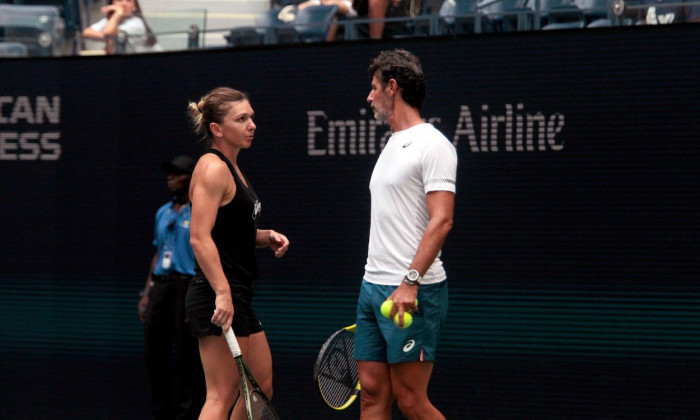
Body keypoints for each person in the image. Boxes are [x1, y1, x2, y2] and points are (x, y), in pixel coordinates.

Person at [354, 49, 457, 420]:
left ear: (392, 87)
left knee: (411, 399)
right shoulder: (392, 143)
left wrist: (410, 281)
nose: (369, 96)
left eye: (374, 88)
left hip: (415, 291)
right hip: (372, 287)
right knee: (372, 395)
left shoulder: (434, 145)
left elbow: (442, 220)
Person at [184, 87, 290, 420]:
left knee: (260, 390)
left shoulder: (233, 167)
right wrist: (222, 293)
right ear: (217, 129)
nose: (251, 124)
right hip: (217, 295)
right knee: (222, 394)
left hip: (237, 294)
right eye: (241, 119)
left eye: (252, 117)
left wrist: (265, 236)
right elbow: (199, 238)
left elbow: (228, 232)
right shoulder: (212, 168)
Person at [137, 155, 206, 420]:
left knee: (189, 358)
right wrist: (147, 293)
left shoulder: (200, 210)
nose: (170, 178)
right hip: (161, 287)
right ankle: (161, 415)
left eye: (177, 174)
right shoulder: (162, 212)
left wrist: (200, 296)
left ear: (190, 178)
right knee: (155, 355)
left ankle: (187, 416)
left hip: (187, 286)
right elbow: (158, 254)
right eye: (169, 173)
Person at [82, 0, 163, 54]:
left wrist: (117, 13)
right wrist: (105, 37)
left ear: (134, 5)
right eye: (119, 0)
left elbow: (109, 33)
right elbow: (86, 32)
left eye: (128, 0)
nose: (124, 4)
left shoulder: (137, 23)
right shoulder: (110, 21)